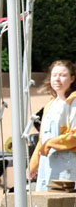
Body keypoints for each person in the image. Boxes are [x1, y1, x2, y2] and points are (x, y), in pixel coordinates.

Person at [29, 60, 76, 191]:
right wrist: (33, 165)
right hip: (47, 165)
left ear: (72, 78)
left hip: (67, 164)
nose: (57, 79)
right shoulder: (50, 104)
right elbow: (41, 139)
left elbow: (74, 136)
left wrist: (51, 143)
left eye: (62, 75)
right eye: (54, 75)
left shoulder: (73, 102)